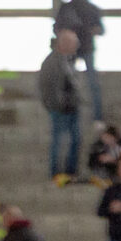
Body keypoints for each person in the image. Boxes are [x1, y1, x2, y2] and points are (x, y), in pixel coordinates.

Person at [37, 31, 84, 183]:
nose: (76, 46)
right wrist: (60, 105)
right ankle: (55, 173)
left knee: (75, 140)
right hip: (60, 109)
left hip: (72, 107)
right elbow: (50, 89)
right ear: (63, 43)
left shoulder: (69, 60)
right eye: (73, 43)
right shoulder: (52, 63)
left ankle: (71, 171)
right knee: (58, 142)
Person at [56, 0, 105, 121]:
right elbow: (57, 27)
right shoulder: (67, 8)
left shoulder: (91, 8)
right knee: (65, 82)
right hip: (70, 50)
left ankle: (97, 117)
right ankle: (66, 114)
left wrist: (93, 30)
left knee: (92, 83)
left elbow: (100, 29)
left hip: (86, 47)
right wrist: (65, 37)